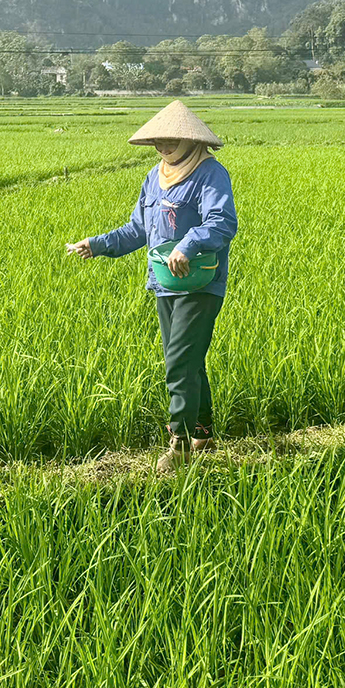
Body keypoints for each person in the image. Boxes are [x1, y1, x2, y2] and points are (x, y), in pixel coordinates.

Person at [67, 101, 238, 474]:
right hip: (164, 283)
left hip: (200, 283)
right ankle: (203, 433)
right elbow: (138, 231)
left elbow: (222, 222)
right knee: (188, 362)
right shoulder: (154, 177)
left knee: (178, 362)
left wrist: (187, 245)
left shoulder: (210, 173)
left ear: (189, 140)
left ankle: (179, 444)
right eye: (158, 140)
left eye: (170, 139)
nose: (163, 145)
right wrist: (96, 245)